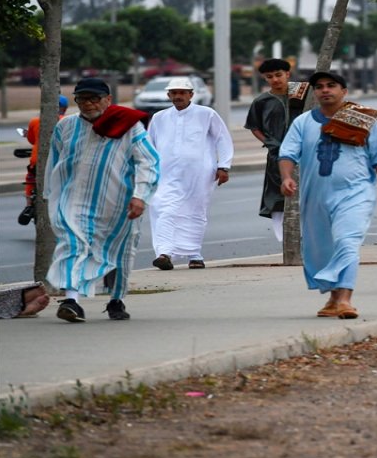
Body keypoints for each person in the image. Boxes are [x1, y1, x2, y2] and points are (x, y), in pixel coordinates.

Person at [279, 71, 377, 319]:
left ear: (344, 91)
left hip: (355, 193)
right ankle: (333, 299)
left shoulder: (362, 120)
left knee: (347, 241)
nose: (325, 90)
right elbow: (287, 153)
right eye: (319, 87)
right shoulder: (303, 122)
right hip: (316, 196)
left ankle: (345, 299)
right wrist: (287, 177)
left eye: (331, 85)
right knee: (322, 249)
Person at [46, 78, 160, 322]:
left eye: (94, 99)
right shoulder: (65, 127)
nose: (88, 104)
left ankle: (116, 300)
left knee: (119, 252)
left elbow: (148, 162)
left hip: (118, 204)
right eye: (82, 99)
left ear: (108, 99)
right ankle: (71, 301)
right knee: (72, 245)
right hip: (73, 201)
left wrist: (140, 196)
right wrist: (51, 195)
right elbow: (54, 163)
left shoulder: (129, 126)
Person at [147, 77, 233, 270]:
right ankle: (164, 253)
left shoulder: (206, 114)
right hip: (165, 173)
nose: (178, 96)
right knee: (162, 207)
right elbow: (149, 145)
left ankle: (195, 254)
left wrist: (224, 166)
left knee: (194, 211)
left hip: (199, 173)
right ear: (169, 95)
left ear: (191, 95)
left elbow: (223, 139)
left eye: (182, 93)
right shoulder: (159, 117)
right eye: (174, 93)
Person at [244, 58, 304, 242]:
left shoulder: (303, 94)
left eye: (279, 75)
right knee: (277, 198)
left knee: (308, 195)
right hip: (277, 157)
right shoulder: (261, 101)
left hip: (306, 154)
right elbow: (254, 127)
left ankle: (307, 238)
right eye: (270, 77)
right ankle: (286, 242)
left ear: (288, 74)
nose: (275, 79)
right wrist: (269, 143)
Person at [19, 95, 69, 225]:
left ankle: (29, 203)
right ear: (64, 108)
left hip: (38, 162)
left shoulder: (35, 122)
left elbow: (31, 139)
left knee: (30, 177)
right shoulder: (68, 121)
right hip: (58, 162)